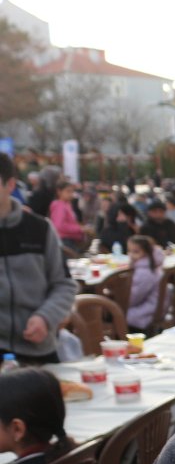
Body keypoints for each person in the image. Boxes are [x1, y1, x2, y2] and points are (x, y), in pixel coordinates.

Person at [0, 153, 77, 363]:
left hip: (38, 350)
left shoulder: (39, 229)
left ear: (10, 185)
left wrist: (45, 317)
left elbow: (64, 284)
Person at [124, 235, 166, 332]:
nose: (131, 255)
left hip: (145, 313)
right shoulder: (152, 266)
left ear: (146, 252)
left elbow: (132, 299)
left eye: (136, 252)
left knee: (111, 312)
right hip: (153, 308)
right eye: (129, 251)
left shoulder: (144, 272)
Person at [48, 180, 84, 250]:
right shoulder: (59, 205)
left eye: (72, 192)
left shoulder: (66, 204)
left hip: (70, 240)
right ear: (59, 191)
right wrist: (79, 228)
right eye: (68, 191)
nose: (71, 194)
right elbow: (58, 226)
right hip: (64, 241)